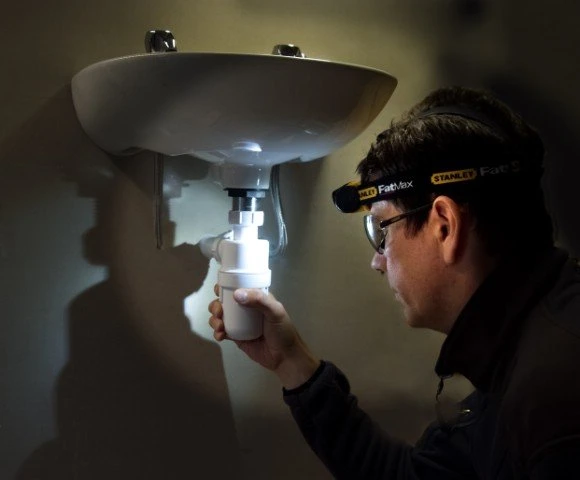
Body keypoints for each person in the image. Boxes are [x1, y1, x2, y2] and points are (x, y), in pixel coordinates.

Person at [208, 86, 580, 479]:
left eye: (382, 228)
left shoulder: (554, 400)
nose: (378, 261)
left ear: (444, 226)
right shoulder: (526, 347)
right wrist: (289, 360)